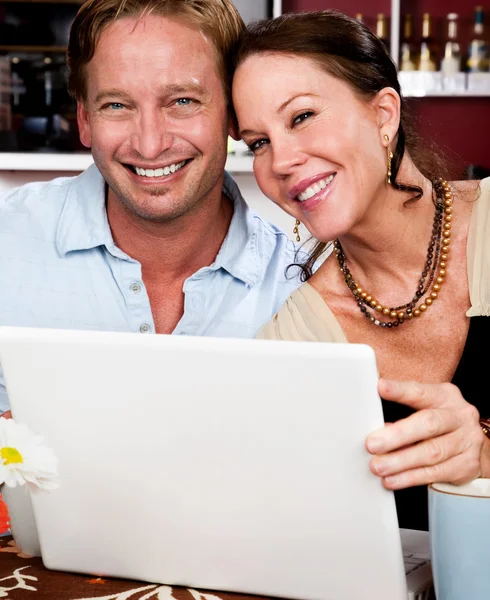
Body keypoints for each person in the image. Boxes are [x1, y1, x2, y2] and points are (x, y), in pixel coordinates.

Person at [231, 10, 490, 530]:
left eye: (302, 116)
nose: (280, 160)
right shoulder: (294, 338)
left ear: (384, 114)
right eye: (258, 142)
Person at [0, 0, 303, 416]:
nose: (149, 145)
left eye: (182, 101)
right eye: (117, 105)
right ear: (85, 120)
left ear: (233, 114)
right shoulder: (7, 243)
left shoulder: (301, 284)